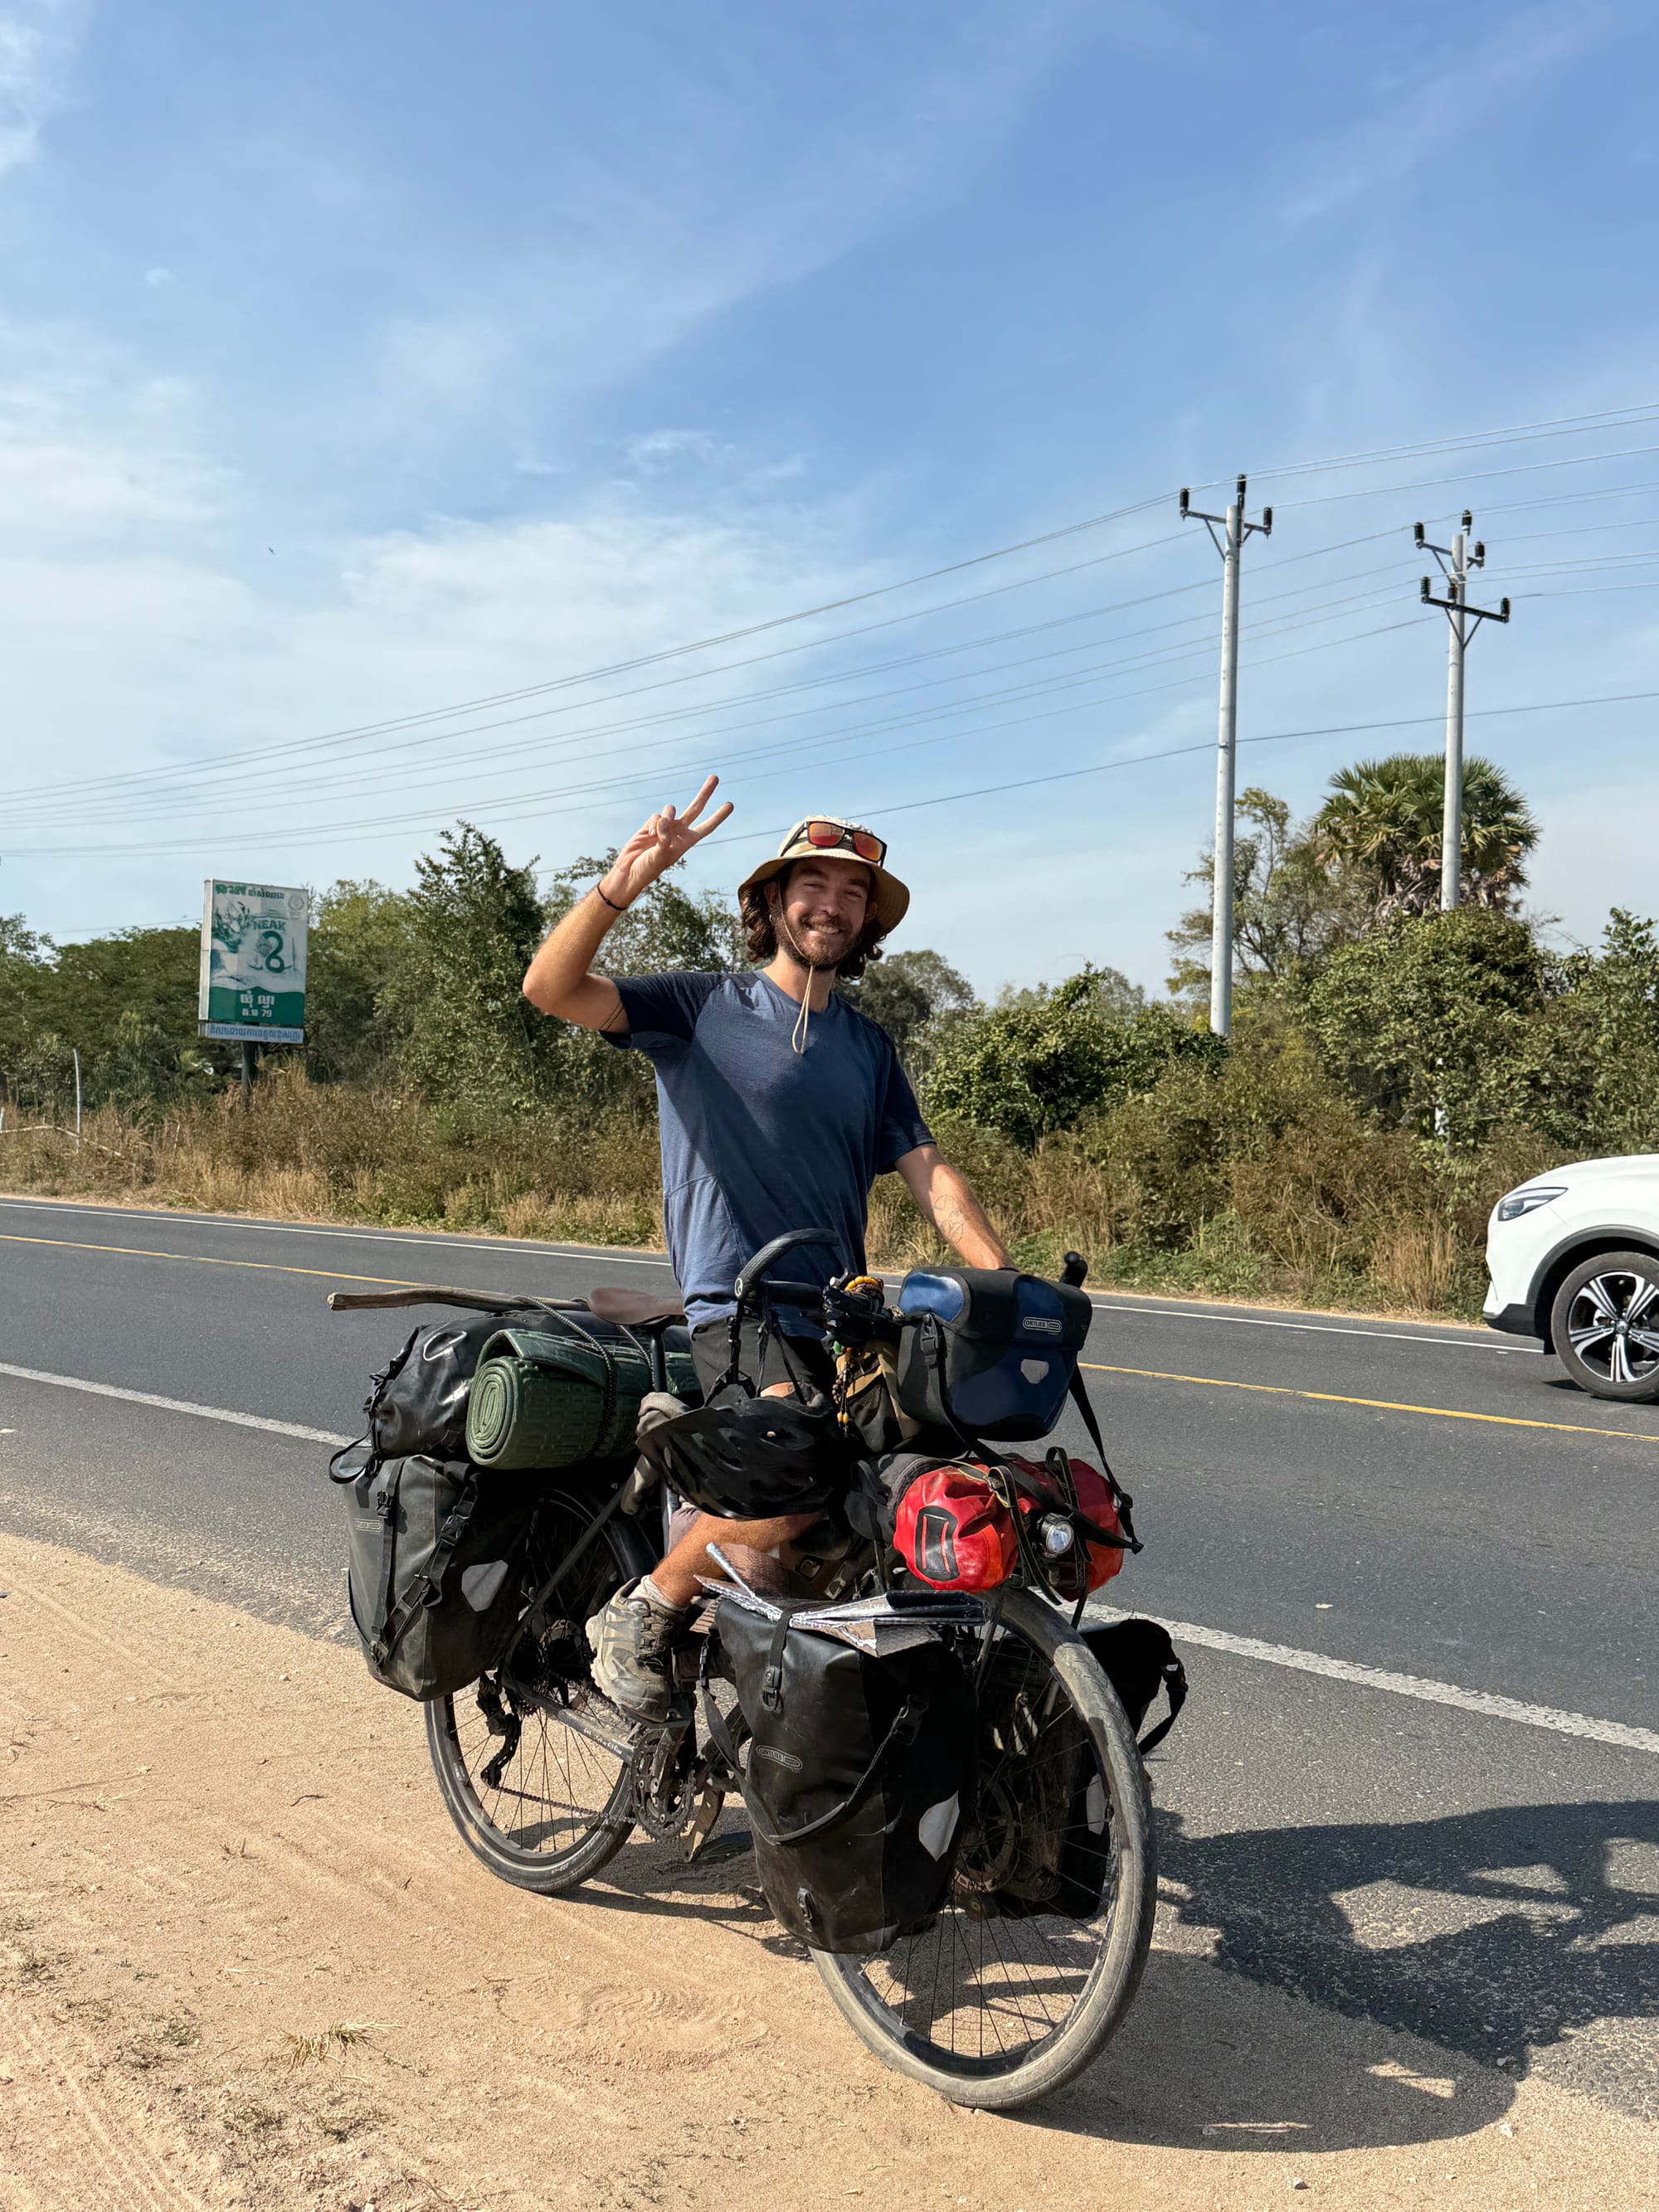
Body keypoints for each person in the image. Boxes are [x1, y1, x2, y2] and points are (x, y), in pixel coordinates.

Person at [522, 774, 1013, 1718]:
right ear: (771, 903)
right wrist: (625, 882)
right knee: (797, 1471)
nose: (832, 904)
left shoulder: (867, 1048)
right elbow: (550, 988)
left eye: (853, 893)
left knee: (918, 1473)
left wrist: (1003, 1280)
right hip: (739, 1305)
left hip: (841, 1313)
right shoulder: (700, 1007)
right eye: (812, 885)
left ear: (867, 922)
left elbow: (929, 1172)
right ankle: (645, 1608)